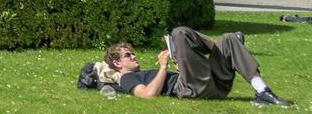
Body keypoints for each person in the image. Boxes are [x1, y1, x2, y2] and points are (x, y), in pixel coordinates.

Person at [103, 30, 291, 105]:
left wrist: (180, 67)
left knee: (228, 38)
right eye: (128, 55)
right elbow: (148, 95)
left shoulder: (141, 72)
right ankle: (220, 48)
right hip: (191, 89)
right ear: (118, 64)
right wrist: (162, 67)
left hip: (214, 86)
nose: (134, 56)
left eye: (132, 53)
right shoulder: (127, 79)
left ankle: (263, 91)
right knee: (179, 33)